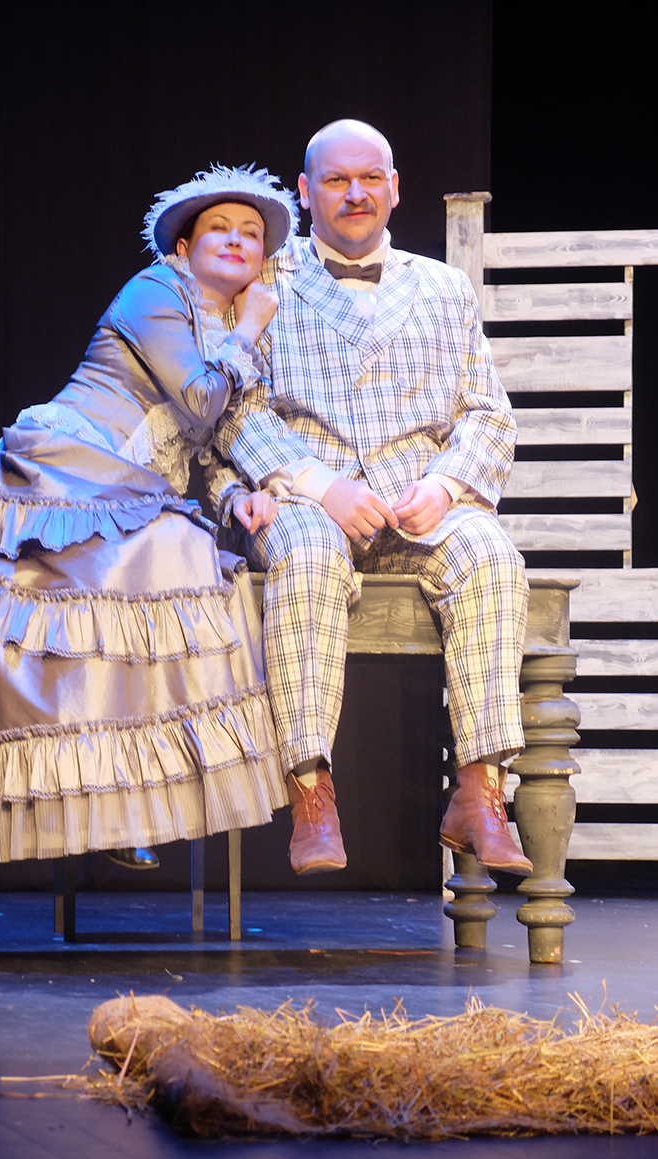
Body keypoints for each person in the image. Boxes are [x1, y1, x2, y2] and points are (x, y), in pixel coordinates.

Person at [0, 165, 298, 868]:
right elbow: (200, 401)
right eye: (220, 228)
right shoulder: (156, 292)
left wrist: (237, 497)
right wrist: (252, 328)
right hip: (72, 464)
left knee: (188, 572)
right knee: (169, 552)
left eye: (251, 233)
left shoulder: (223, 328)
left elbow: (203, 450)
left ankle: (133, 798)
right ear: (184, 247)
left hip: (131, 492)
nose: (237, 240)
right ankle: (102, 798)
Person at [214, 120, 532, 878]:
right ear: (304, 191)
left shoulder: (444, 288)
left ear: (394, 187)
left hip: (419, 504)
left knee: (492, 555)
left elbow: (488, 415)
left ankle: (481, 791)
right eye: (335, 179)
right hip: (306, 498)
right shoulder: (265, 282)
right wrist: (323, 488)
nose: (354, 193)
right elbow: (234, 410)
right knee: (307, 553)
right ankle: (311, 792)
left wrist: (445, 486)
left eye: (369, 178)